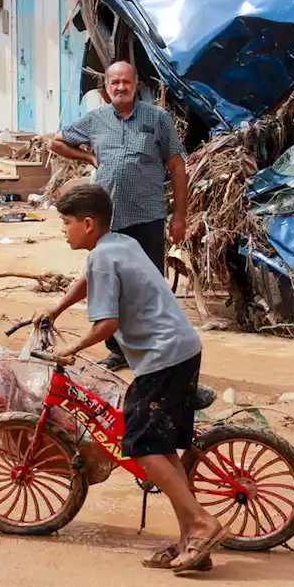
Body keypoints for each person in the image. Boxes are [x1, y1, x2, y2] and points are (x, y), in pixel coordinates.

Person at [34, 185, 225, 574]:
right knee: (161, 447)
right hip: (181, 348)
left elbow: (107, 323)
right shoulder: (117, 244)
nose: (63, 231)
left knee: (138, 445)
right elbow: (89, 280)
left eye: (67, 223)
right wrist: (56, 308)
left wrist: (72, 350)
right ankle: (191, 536)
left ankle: (203, 523)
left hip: (162, 356)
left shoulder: (104, 259)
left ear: (88, 224)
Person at [50, 61, 189, 370]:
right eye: (115, 83)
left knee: (148, 287)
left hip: (147, 216)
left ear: (136, 84)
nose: (121, 87)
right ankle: (118, 350)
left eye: (126, 81)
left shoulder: (157, 118)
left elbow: (178, 167)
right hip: (107, 221)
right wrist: (87, 155)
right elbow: (56, 142)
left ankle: (157, 349)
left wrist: (180, 216)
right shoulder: (95, 120)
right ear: (107, 87)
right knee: (108, 285)